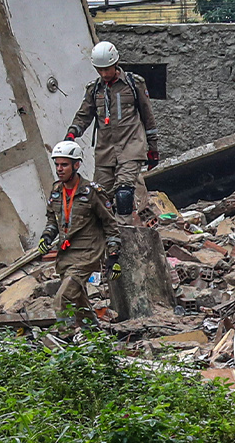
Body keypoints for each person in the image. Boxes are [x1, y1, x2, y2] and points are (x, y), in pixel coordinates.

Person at [65, 41, 159, 219]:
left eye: (107, 69)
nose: (103, 74)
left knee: (124, 194)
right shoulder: (94, 90)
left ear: (115, 64)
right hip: (105, 152)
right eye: (99, 70)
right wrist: (71, 134)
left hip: (131, 147)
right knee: (99, 199)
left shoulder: (133, 84)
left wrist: (153, 149)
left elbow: (148, 117)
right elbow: (84, 115)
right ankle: (105, 241)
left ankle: (125, 237)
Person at [38, 140, 120, 325]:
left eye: (64, 164)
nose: (59, 169)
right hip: (66, 255)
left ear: (76, 165)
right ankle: (93, 334)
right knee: (77, 299)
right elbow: (53, 219)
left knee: (62, 298)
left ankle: (65, 341)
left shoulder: (92, 191)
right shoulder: (56, 191)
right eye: (57, 164)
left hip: (87, 254)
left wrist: (114, 256)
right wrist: (47, 236)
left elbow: (110, 223)